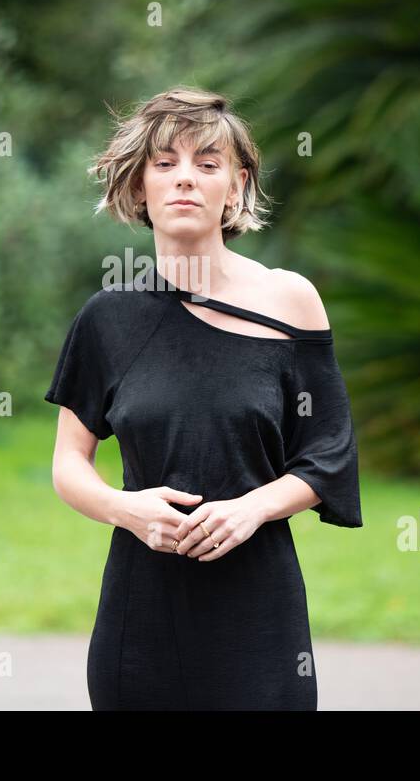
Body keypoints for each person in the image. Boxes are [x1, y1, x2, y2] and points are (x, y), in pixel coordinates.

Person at [45, 85, 363, 710]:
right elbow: (67, 465)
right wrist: (125, 509)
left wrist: (252, 509)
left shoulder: (289, 300)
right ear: (140, 187)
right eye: (165, 164)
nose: (184, 179)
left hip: (258, 617)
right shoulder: (107, 319)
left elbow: (329, 454)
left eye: (207, 164)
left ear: (237, 187)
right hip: (141, 617)